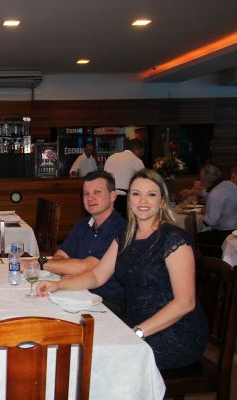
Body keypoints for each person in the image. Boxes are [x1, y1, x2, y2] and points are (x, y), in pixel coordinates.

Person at [37, 169, 208, 370]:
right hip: (134, 320)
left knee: (100, 361)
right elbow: (97, 276)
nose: (142, 200)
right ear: (129, 200)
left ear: (162, 200)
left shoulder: (173, 239)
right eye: (136, 194)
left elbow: (185, 303)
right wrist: (57, 285)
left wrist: (138, 332)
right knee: (76, 344)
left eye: (151, 194)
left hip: (174, 332)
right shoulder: (125, 236)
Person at [43, 170, 126, 314]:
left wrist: (41, 263)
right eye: (86, 194)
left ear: (113, 196)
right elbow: (59, 257)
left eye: (97, 192)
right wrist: (66, 270)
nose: (90, 198)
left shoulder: (121, 229)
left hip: (107, 303)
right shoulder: (82, 225)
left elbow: (86, 268)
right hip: (75, 292)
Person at [198, 165, 237, 252]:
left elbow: (210, 222)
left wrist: (204, 212)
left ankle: (208, 260)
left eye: (201, 179)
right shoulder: (229, 184)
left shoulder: (215, 193)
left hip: (224, 234)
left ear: (207, 180)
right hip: (235, 232)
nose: (200, 182)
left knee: (194, 238)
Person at [104, 139, 145, 218]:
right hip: (123, 199)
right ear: (138, 150)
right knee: (125, 223)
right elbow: (144, 180)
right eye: (142, 152)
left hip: (108, 196)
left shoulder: (111, 157)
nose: (141, 155)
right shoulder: (136, 160)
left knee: (110, 221)